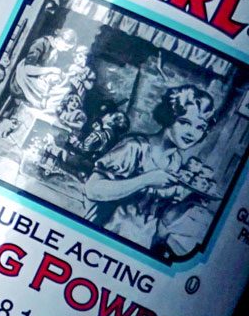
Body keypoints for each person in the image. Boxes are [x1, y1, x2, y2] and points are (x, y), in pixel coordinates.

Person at [83, 85, 220, 257]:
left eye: (200, 127)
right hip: (106, 237)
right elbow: (92, 189)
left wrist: (189, 202)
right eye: (185, 122)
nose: (192, 133)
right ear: (170, 117)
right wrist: (146, 179)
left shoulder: (176, 162)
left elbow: (162, 222)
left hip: (142, 246)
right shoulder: (135, 147)